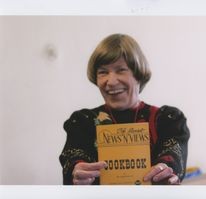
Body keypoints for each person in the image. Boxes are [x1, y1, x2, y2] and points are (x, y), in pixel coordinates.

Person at [59, 33, 190, 185]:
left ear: (138, 74)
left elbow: (173, 155)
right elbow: (73, 157)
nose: (111, 81)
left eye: (121, 70)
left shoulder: (168, 119)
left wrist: (167, 169)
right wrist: (76, 170)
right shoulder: (82, 122)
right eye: (103, 72)